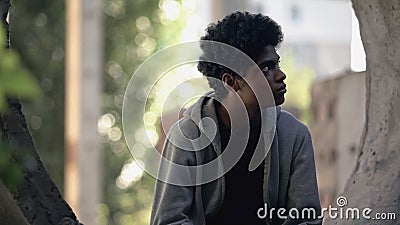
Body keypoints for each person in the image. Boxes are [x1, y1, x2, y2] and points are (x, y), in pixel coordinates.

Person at [151, 11, 322, 225]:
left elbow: (307, 219)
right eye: (266, 68)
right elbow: (168, 220)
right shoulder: (187, 136)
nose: (280, 75)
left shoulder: (294, 135)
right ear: (231, 82)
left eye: (277, 64)